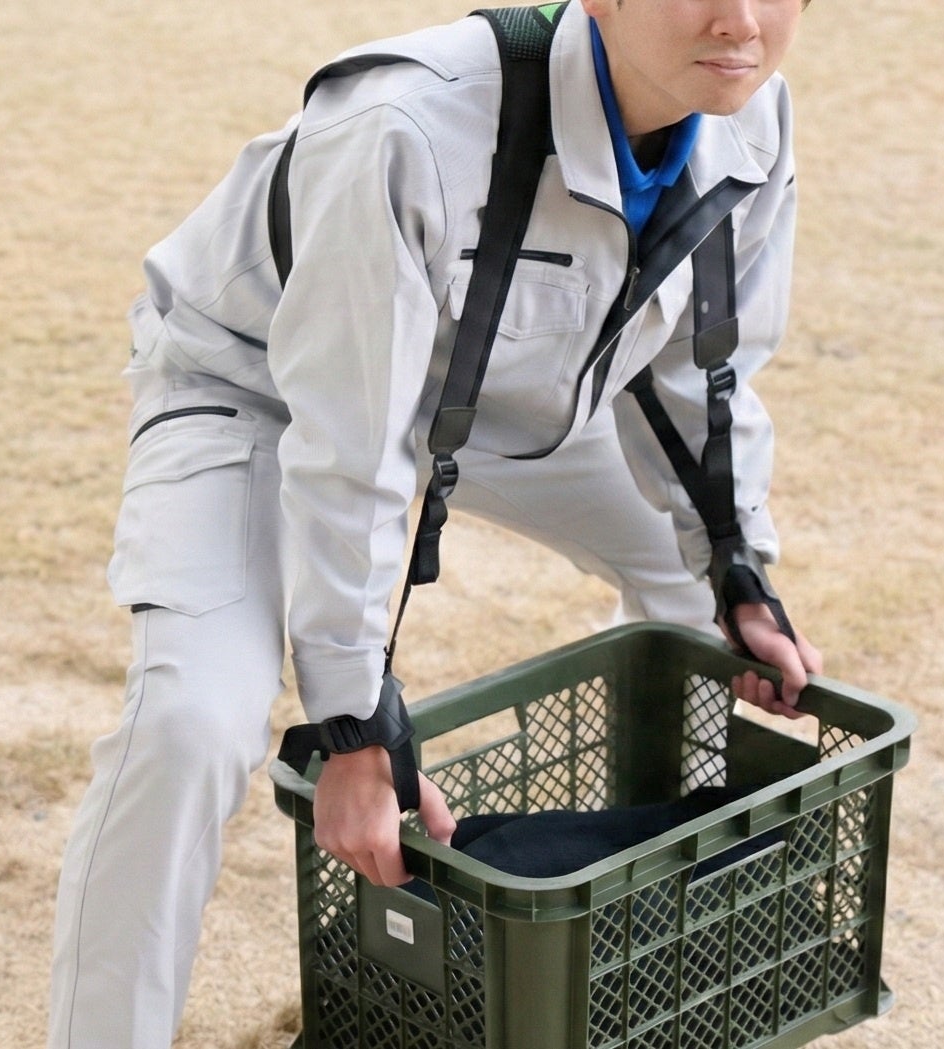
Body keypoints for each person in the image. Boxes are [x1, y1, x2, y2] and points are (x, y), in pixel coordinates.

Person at [49, 1, 821, 1046]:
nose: (740, 20)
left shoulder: (749, 115)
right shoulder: (409, 127)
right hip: (261, 389)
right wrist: (355, 726)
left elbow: (701, 373)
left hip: (500, 394)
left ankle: (645, 953)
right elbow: (349, 445)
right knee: (191, 720)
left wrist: (738, 568)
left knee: (696, 597)